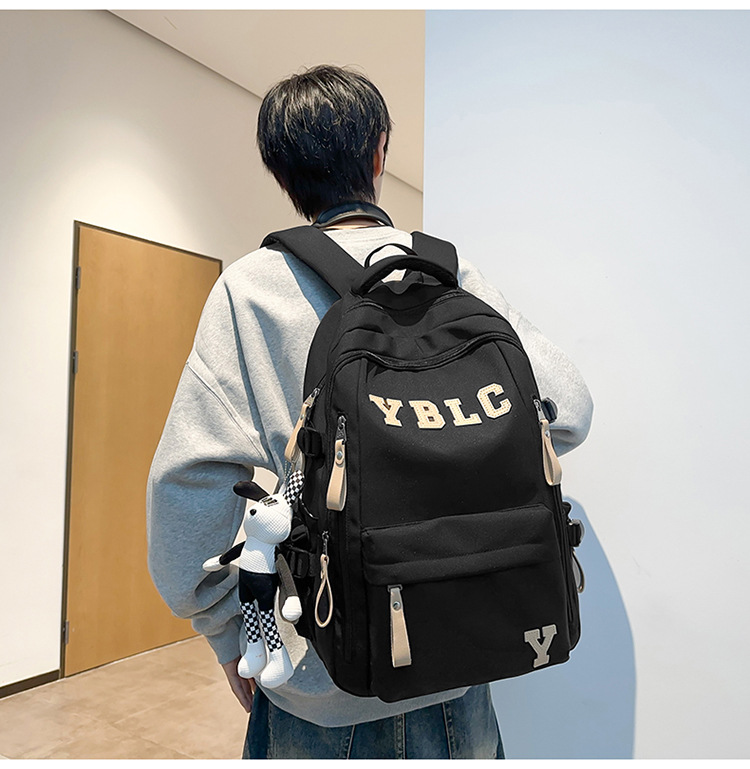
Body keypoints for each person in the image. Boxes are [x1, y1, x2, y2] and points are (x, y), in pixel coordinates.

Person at [146, 64, 593, 760]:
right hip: (464, 664)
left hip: (322, 680)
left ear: (283, 176)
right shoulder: (448, 274)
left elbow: (185, 485)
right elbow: (569, 410)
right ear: (380, 152)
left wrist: (230, 629)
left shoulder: (252, 289)